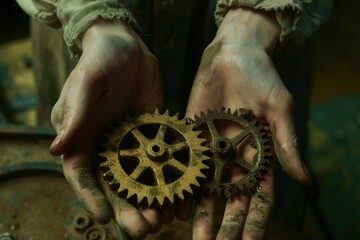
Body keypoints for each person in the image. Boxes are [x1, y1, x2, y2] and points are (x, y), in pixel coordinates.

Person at [16, 0, 333, 239]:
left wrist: (255, 21)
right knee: (71, 183)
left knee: (265, 218)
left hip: (259, 55)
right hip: (90, 52)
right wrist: (94, 19)